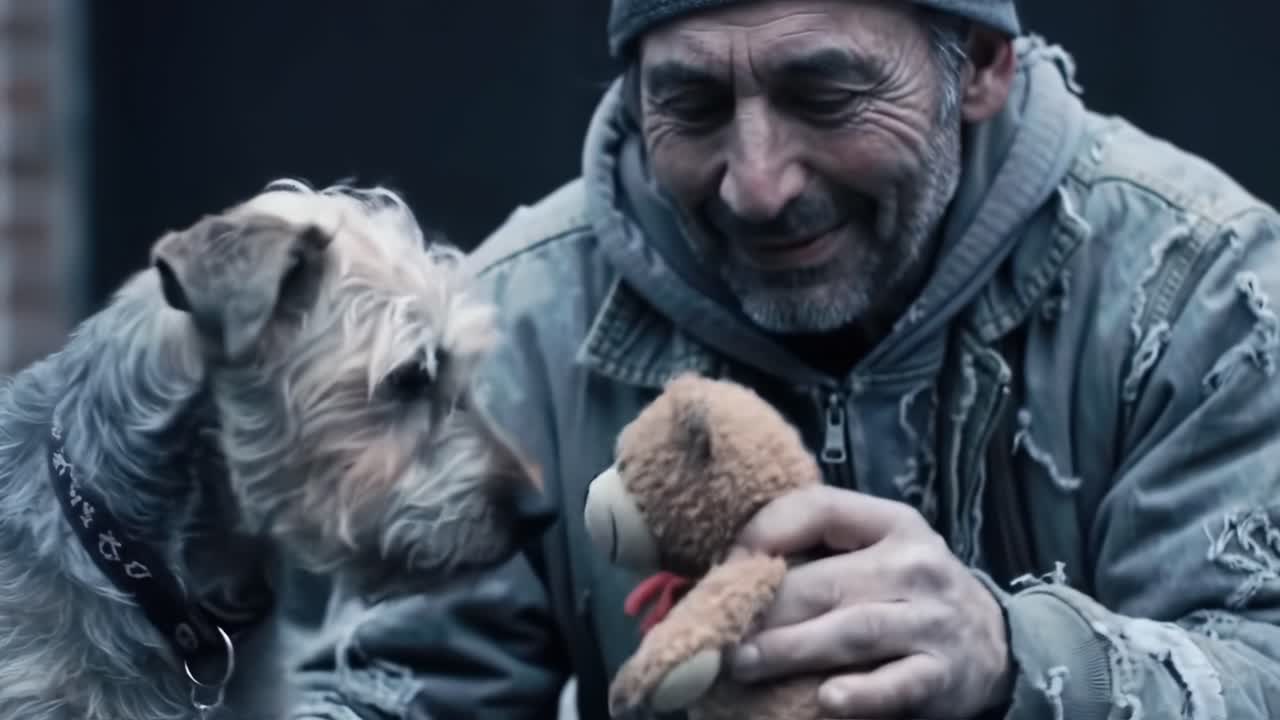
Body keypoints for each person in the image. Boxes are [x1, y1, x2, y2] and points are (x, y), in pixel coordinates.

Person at [290, 1, 1280, 718]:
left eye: (825, 93)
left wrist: (1011, 657)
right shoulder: (509, 326)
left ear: (978, 65)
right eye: (692, 104)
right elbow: (388, 693)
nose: (755, 186)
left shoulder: (1195, 289)